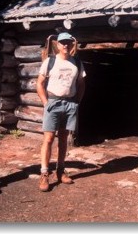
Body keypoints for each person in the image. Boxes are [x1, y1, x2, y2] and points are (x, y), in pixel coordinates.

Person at [36, 32, 86, 192]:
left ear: (72, 44)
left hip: (70, 103)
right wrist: (45, 103)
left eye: (68, 43)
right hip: (53, 102)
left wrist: (77, 102)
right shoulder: (50, 61)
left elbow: (81, 83)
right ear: (57, 45)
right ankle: (44, 173)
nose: (66, 45)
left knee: (64, 138)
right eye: (63, 43)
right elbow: (40, 83)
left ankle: (60, 170)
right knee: (49, 138)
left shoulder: (76, 62)